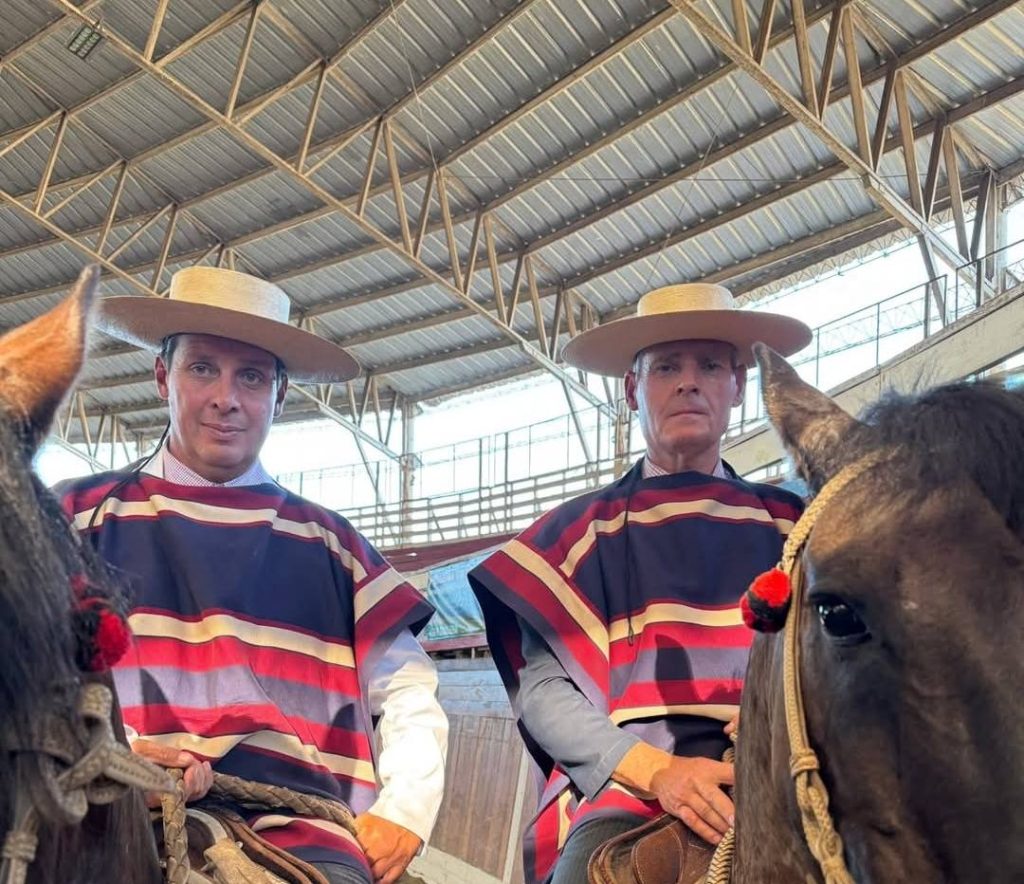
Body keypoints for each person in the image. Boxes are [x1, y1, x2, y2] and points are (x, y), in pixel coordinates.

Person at [58, 266, 448, 884]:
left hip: (307, 827)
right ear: (162, 377)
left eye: (252, 376)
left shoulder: (333, 543)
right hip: (107, 810)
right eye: (202, 368)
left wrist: (406, 810)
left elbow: (406, 686)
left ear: (279, 395)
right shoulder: (74, 517)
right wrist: (112, 752)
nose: (226, 397)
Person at [468, 283, 811, 883]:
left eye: (710, 366)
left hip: (780, 770)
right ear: (633, 390)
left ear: (737, 385)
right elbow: (544, 692)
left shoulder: (795, 524)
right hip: (633, 787)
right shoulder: (575, 533)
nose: (689, 383)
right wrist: (654, 770)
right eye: (667, 367)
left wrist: (782, 717)